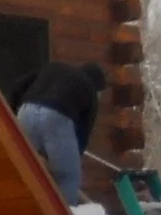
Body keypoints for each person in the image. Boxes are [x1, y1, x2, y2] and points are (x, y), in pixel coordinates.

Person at [15, 59, 108, 202]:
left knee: (26, 167)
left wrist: (12, 115)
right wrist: (71, 158)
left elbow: (18, 87)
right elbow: (83, 134)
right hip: (57, 117)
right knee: (68, 176)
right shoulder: (89, 89)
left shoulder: (53, 68)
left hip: (26, 111)